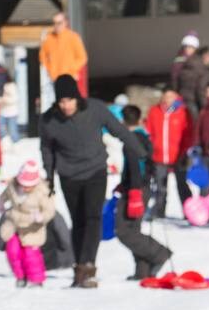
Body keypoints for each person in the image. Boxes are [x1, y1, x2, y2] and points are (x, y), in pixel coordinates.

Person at [40, 74, 149, 288]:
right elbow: (46, 149)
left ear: (77, 98)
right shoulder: (48, 120)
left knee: (92, 218)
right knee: (78, 221)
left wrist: (142, 152)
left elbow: (119, 131)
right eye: (61, 101)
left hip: (95, 172)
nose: (66, 105)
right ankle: (79, 266)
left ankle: (87, 267)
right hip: (69, 175)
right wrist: (49, 176)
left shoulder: (95, 109)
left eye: (69, 100)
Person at [116, 105, 172, 279]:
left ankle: (159, 253)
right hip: (142, 186)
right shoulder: (144, 137)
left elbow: (134, 166)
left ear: (122, 121)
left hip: (136, 189)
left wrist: (133, 191)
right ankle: (143, 271)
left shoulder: (131, 140)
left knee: (124, 231)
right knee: (134, 228)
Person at [0, 160, 57, 288]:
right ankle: (20, 276)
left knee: (31, 255)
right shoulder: (13, 186)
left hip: (32, 227)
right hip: (13, 225)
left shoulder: (43, 192)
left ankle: (36, 279)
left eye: (29, 185)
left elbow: (49, 210)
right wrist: (1, 204)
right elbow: (4, 196)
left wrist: (41, 217)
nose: (25, 188)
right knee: (13, 251)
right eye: (23, 184)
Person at [146, 87, 193, 219]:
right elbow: (149, 131)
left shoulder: (183, 112)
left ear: (177, 97)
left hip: (178, 155)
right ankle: (159, 212)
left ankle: (189, 212)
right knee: (160, 186)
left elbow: (188, 134)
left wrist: (185, 152)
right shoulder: (154, 111)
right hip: (159, 155)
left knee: (182, 185)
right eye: (166, 96)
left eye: (171, 96)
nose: (168, 99)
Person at [39, 11, 88, 98]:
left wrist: (71, 70)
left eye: (59, 23)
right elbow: (42, 57)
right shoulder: (49, 38)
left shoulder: (73, 37)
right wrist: (50, 70)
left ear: (66, 22)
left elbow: (82, 57)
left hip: (70, 78)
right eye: (54, 23)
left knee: (70, 103)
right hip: (54, 79)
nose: (56, 26)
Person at [177, 45, 209, 117]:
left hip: (182, 98)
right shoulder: (205, 70)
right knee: (196, 124)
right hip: (194, 100)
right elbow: (201, 89)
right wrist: (206, 106)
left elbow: (177, 80)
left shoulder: (188, 63)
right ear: (205, 56)